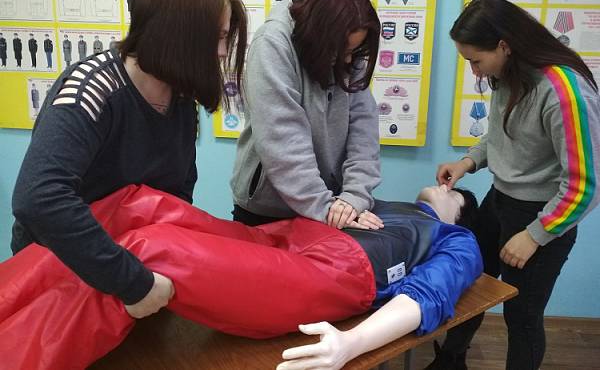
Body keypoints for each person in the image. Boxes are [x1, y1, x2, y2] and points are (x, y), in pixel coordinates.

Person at [0, 183, 482, 370]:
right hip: (276, 239)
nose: (445, 184)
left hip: (325, 274)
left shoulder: (457, 240)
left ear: (461, 213)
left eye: (456, 191)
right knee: (136, 204)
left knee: (148, 255)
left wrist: (350, 344)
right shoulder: (385, 199)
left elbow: (426, 296)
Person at [10, 0, 247, 322]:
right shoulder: (91, 91)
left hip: (132, 273)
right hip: (60, 274)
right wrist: (131, 281)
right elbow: (39, 199)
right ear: (179, 33)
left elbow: (176, 194)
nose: (221, 52)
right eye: (217, 37)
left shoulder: (179, 98)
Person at [428, 0, 600, 370]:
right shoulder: (507, 76)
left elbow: (586, 185)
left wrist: (536, 235)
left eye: (476, 60)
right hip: (500, 200)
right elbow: (501, 135)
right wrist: (467, 162)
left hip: (543, 215)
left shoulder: (565, 92)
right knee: (469, 286)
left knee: (521, 318)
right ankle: (451, 361)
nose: (474, 71)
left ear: (504, 46)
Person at [231, 0, 382, 231]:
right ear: (319, 37)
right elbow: (282, 137)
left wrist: (354, 198)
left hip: (329, 204)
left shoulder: (348, 50)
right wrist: (326, 209)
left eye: (353, 51)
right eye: (343, 51)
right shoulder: (273, 43)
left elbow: (363, 128)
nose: (348, 59)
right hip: (268, 208)